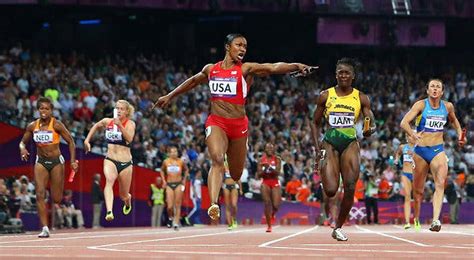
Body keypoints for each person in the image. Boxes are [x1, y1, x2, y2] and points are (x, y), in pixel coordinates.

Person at [154, 33, 315, 220]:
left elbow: (272, 67)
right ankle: (214, 203)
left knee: (236, 173)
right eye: (238, 45)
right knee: (216, 159)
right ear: (227, 47)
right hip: (217, 122)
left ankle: (230, 183)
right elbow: (192, 81)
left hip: (238, 125)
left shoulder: (246, 69)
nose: (243, 49)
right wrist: (169, 96)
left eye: (245, 46)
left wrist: (296, 66)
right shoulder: (211, 69)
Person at [312, 58, 376, 241]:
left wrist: (369, 129)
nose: (343, 75)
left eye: (347, 72)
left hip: (350, 143)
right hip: (330, 143)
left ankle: (338, 227)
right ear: (336, 75)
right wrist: (318, 149)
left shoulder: (361, 97)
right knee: (331, 190)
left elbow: (369, 121)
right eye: (340, 72)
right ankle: (328, 180)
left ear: (353, 76)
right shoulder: (325, 95)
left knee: (349, 186)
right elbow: (314, 122)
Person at [400, 78, 465, 232]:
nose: (435, 89)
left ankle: (436, 220)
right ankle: (416, 218)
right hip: (421, 152)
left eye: (438, 87)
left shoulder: (448, 106)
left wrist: (460, 135)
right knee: (418, 191)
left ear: (442, 92)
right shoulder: (421, 105)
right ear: (428, 90)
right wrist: (413, 135)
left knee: (440, 183)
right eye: (432, 87)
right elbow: (404, 122)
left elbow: (455, 122)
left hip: (438, 150)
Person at [18, 97, 78, 238]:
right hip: (41, 163)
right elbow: (22, 142)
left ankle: (56, 194)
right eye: (41, 108)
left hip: (57, 162)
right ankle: (45, 228)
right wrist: (22, 148)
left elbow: (71, 142)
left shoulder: (57, 125)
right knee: (40, 194)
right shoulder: (32, 126)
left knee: (56, 198)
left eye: (46, 108)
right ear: (38, 110)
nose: (44, 111)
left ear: (51, 110)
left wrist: (73, 161)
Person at [84, 99, 136, 222]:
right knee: (109, 181)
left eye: (121, 109)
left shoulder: (130, 124)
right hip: (110, 159)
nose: (118, 111)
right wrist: (87, 140)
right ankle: (109, 211)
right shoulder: (108, 121)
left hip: (125, 163)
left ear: (127, 112)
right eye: (117, 108)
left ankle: (127, 201)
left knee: (123, 194)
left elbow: (129, 139)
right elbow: (96, 125)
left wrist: (120, 126)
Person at [160, 146, 189, 230]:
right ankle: (170, 217)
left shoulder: (180, 161)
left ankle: (176, 223)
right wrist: (164, 181)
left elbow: (186, 170)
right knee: (169, 206)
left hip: (178, 184)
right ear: (169, 153)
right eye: (172, 152)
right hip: (169, 184)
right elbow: (161, 170)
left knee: (177, 204)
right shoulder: (166, 162)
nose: (174, 153)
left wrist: (184, 180)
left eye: (175, 151)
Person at [257, 143, 282, 233]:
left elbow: (278, 172)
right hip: (265, 182)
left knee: (276, 205)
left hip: (275, 181)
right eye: (268, 148)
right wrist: (264, 169)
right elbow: (258, 174)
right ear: (265, 150)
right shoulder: (261, 160)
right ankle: (269, 226)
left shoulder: (277, 159)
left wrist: (270, 167)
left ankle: (272, 214)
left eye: (271, 148)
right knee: (267, 203)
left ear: (274, 149)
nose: (270, 150)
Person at [394, 133, 416, 229]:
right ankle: (407, 222)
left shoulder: (419, 148)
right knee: (407, 197)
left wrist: (414, 155)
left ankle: (417, 219)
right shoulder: (403, 147)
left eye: (411, 135)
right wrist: (396, 159)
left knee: (417, 198)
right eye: (408, 136)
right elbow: (398, 153)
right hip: (405, 173)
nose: (409, 137)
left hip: (416, 175)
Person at [222, 155, 242, 230]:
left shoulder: (235, 164)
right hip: (226, 186)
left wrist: (240, 188)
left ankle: (234, 219)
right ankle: (229, 224)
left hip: (234, 186)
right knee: (227, 206)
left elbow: (238, 177)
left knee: (234, 205)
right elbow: (220, 175)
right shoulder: (223, 165)